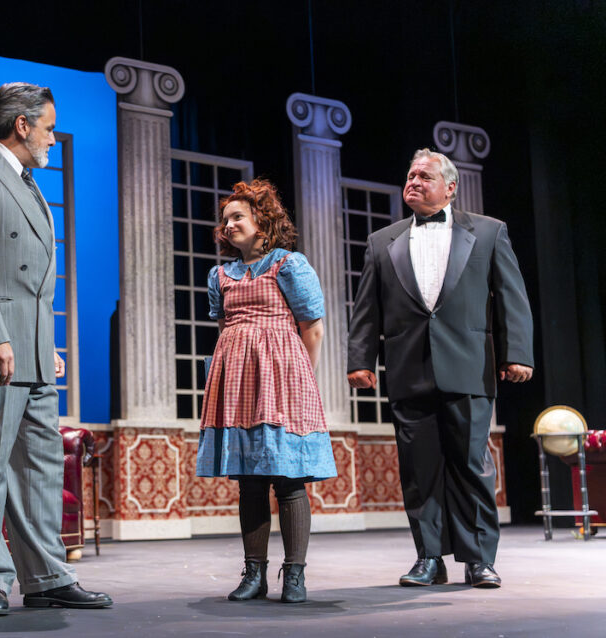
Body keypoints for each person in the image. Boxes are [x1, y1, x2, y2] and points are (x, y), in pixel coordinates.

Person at [0, 82, 112, 616]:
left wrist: (43, 343)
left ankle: (48, 575)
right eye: (49, 128)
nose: (53, 139)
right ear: (22, 125)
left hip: (29, 351)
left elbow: (32, 281)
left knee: (39, 466)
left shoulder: (28, 183)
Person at [346, 149, 534, 589]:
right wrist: (360, 360)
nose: (413, 181)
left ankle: (479, 559)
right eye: (409, 175)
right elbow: (365, 309)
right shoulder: (381, 241)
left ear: (450, 187)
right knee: (419, 467)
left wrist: (517, 352)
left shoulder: (488, 232)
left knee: (471, 463)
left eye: (424, 176)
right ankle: (429, 557)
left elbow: (512, 295)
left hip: (469, 365)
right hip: (409, 367)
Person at [196, 178, 336, 604]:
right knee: (250, 480)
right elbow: (223, 329)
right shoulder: (220, 275)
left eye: (237, 216)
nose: (228, 225)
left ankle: (294, 574)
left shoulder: (288, 265)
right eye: (225, 220)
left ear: (263, 219)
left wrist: (301, 381)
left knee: (288, 478)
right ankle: (253, 572)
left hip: (284, 380)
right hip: (238, 382)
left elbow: (312, 328)